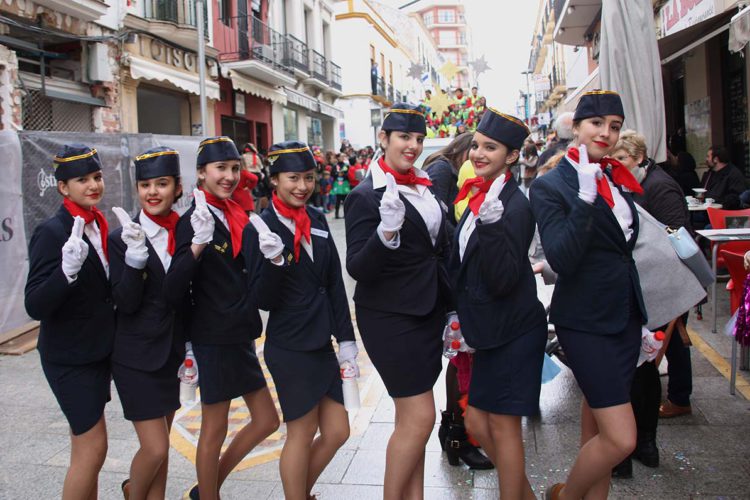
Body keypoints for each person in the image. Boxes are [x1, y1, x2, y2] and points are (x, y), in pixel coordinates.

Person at [530, 91, 647, 500]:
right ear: (575, 128)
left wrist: (646, 315)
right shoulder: (551, 185)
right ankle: (565, 496)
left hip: (624, 315)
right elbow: (562, 256)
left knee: (596, 422)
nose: (606, 133)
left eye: (615, 125)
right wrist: (583, 198)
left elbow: (625, 250)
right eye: (596, 123)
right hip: (585, 320)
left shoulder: (615, 175)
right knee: (621, 440)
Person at [344, 103, 451, 499]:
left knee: (411, 421)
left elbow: (436, 251)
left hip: (427, 312)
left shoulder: (426, 187)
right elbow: (357, 266)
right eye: (404, 137)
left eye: (419, 139)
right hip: (390, 318)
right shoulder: (363, 196)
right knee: (421, 418)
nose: (413, 146)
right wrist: (385, 234)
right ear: (383, 139)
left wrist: (452, 306)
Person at [164, 137, 279, 500]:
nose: (229, 176)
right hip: (211, 335)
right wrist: (188, 348)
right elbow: (177, 286)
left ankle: (208, 485)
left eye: (233, 168)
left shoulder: (239, 214)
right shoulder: (193, 221)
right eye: (220, 169)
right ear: (201, 173)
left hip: (240, 333)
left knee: (267, 421)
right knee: (214, 427)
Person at [244, 141, 358, 500]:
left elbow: (334, 284)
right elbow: (262, 299)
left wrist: (348, 341)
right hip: (290, 345)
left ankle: (299, 490)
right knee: (302, 431)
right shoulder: (260, 228)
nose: (302, 186)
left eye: (308, 178)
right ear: (274, 180)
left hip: (322, 345)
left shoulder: (319, 219)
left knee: (338, 430)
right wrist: (276, 264)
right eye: (293, 178)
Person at [450, 109, 547, 499]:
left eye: (490, 147)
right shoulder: (482, 194)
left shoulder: (514, 205)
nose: (478, 153)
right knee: (476, 418)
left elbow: (504, 279)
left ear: (510, 156)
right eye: (475, 145)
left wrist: (490, 229)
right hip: (488, 331)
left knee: (504, 429)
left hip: (514, 330)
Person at [25, 144, 115, 499]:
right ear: (63, 187)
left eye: (96, 177)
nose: (92, 185)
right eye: (82, 180)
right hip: (70, 357)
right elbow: (35, 305)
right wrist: (65, 272)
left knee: (85, 450)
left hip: (95, 352)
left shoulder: (98, 224)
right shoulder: (53, 231)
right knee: (93, 450)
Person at [609, 130, 693, 477]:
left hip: (656, 285)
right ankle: (633, 444)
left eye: (623, 159)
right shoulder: (621, 186)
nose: (617, 166)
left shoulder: (658, 185)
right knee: (634, 366)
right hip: (631, 287)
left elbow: (678, 232)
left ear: (639, 157)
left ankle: (645, 441)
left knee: (645, 364)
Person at [109, 147, 185, 499]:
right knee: (154, 448)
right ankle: (132, 492)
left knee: (163, 448)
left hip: (171, 354)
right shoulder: (121, 237)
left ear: (177, 187)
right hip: (136, 356)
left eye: (162, 184)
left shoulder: (188, 231)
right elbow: (124, 302)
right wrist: (135, 263)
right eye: (145, 185)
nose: (152, 192)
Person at [422, 132, 492, 470]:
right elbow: (438, 219)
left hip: (460, 274)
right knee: (461, 355)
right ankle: (455, 435)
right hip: (450, 276)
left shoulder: (453, 171)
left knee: (463, 355)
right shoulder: (445, 171)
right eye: (477, 148)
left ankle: (457, 433)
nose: (480, 155)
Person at [700, 145, 745, 209]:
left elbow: (735, 198)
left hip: (724, 213)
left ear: (716, 159)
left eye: (708, 156)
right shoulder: (709, 174)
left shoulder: (733, 174)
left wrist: (715, 201)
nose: (706, 159)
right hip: (707, 211)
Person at [331, 154, 351, 219]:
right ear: (338, 158)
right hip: (338, 184)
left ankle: (346, 214)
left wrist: (343, 174)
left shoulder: (346, 166)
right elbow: (332, 174)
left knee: (345, 200)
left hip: (344, 184)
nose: (342, 158)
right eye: (340, 157)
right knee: (338, 200)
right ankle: (336, 214)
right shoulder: (335, 166)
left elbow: (348, 174)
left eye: (343, 157)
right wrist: (337, 174)